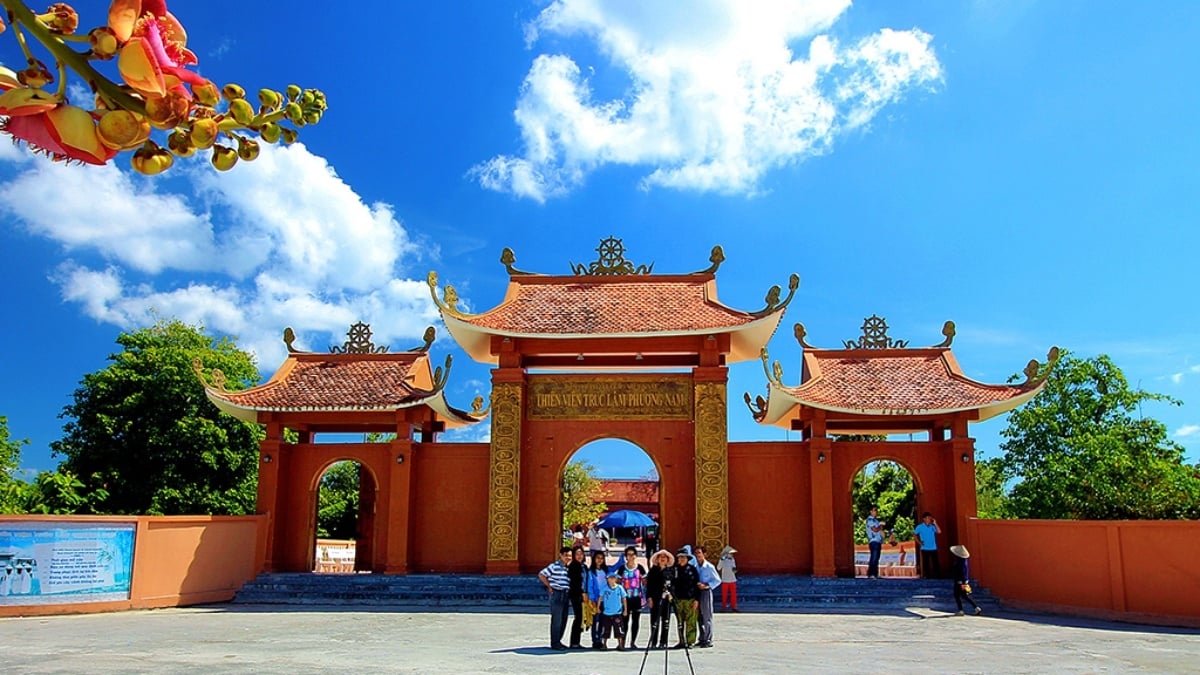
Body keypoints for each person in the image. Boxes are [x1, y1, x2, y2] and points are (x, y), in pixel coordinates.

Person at [538, 547, 573, 650]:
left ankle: (559, 641)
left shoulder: (568, 567)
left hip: (566, 594)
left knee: (564, 619)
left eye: (570, 556)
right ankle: (555, 642)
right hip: (557, 594)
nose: (568, 557)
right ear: (561, 555)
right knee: (557, 620)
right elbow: (542, 574)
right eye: (566, 555)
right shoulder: (554, 566)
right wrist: (549, 586)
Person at [614, 546, 647, 649]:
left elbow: (645, 582)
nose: (631, 557)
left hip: (637, 598)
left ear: (636, 556)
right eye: (629, 555)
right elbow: (618, 582)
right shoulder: (622, 568)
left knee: (635, 621)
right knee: (624, 621)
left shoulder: (640, 568)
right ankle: (622, 642)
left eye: (633, 554)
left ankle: (633, 642)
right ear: (626, 556)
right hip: (625, 599)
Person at [670, 547, 700, 649]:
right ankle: (681, 641)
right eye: (680, 557)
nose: (682, 559)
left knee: (691, 621)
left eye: (684, 557)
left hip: (690, 599)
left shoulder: (692, 570)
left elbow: (697, 585)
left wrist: (696, 599)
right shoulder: (674, 570)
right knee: (680, 622)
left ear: (687, 559)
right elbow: (671, 584)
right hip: (678, 599)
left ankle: (690, 641)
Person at [644, 549, 674, 649]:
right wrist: (649, 598)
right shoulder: (653, 571)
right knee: (654, 621)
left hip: (667, 599)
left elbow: (673, 585)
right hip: (655, 598)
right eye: (660, 557)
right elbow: (649, 586)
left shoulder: (670, 571)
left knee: (666, 621)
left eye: (664, 557)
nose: (662, 559)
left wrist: (671, 594)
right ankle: (653, 641)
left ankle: (663, 641)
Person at [693, 545, 721, 648]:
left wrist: (707, 585)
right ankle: (702, 638)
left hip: (705, 592)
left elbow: (717, 580)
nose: (698, 555)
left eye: (699, 553)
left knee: (706, 615)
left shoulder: (709, 567)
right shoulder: (695, 566)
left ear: (704, 554)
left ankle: (708, 639)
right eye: (696, 553)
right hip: (697, 592)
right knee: (699, 616)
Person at [597, 572, 629, 650]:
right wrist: (598, 607)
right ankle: (604, 644)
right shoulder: (605, 588)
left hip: (617, 613)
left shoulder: (620, 588)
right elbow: (600, 598)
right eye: (610, 578)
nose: (612, 580)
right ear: (607, 579)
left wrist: (625, 610)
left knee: (619, 629)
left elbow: (624, 599)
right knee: (605, 630)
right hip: (607, 613)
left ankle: (620, 645)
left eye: (614, 578)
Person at [585, 550, 610, 648]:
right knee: (596, 620)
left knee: (603, 621)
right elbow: (590, 586)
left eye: (601, 558)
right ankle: (595, 640)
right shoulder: (591, 572)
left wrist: (621, 559)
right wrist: (592, 599)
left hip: (605, 599)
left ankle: (601, 638)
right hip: (596, 599)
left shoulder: (606, 571)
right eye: (597, 558)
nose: (599, 560)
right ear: (594, 559)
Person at [950, 544, 982, 616]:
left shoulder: (959, 562)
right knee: (964, 596)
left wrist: (960, 581)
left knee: (957, 595)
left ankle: (961, 610)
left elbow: (959, 572)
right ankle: (976, 607)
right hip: (965, 581)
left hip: (959, 582)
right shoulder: (965, 561)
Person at [567, 546, 587, 649]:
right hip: (576, 594)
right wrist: (582, 593)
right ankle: (574, 642)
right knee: (578, 616)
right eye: (577, 554)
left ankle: (577, 641)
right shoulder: (573, 566)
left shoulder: (584, 566)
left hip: (584, 594)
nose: (579, 556)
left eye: (581, 554)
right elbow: (575, 582)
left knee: (581, 617)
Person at [913, 511, 942, 578]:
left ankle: (937, 575)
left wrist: (935, 523)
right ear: (924, 519)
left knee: (935, 562)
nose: (929, 519)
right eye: (928, 518)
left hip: (933, 547)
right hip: (925, 547)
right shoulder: (920, 527)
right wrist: (919, 542)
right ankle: (927, 575)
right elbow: (914, 534)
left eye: (930, 518)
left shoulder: (932, 526)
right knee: (926, 562)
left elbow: (939, 531)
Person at [717, 545, 738, 612]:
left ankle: (734, 607)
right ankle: (724, 608)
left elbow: (734, 568)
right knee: (724, 595)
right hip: (725, 580)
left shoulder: (732, 560)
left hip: (732, 579)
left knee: (733, 595)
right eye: (730, 553)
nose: (731, 554)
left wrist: (735, 570)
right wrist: (721, 560)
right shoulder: (722, 560)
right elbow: (718, 568)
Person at [865, 506, 884, 579]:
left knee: (876, 558)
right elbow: (874, 529)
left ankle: (875, 573)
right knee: (874, 557)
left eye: (876, 510)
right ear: (871, 511)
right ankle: (871, 573)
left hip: (878, 541)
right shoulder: (870, 520)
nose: (875, 512)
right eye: (874, 510)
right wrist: (880, 527)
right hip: (873, 541)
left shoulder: (876, 520)